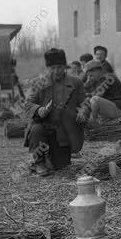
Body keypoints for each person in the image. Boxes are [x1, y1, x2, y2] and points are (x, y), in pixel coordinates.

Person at [23, 48, 90, 176]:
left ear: (64, 67)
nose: (56, 71)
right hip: (44, 126)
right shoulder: (39, 83)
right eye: (52, 68)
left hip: (64, 131)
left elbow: (85, 103)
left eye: (59, 67)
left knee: (61, 167)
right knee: (37, 129)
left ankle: (51, 157)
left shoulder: (76, 82)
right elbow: (28, 104)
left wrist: (83, 112)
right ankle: (39, 162)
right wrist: (39, 110)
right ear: (48, 68)